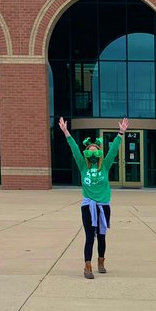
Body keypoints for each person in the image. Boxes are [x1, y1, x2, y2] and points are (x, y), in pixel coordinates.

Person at [59, 117, 127, 279]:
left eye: (95, 148)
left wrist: (121, 133)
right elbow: (74, 149)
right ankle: (87, 266)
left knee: (102, 236)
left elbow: (113, 151)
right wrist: (66, 132)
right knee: (90, 236)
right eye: (90, 148)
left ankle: (101, 262)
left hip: (103, 206)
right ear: (87, 153)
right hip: (88, 205)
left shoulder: (105, 165)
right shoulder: (83, 165)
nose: (93, 150)